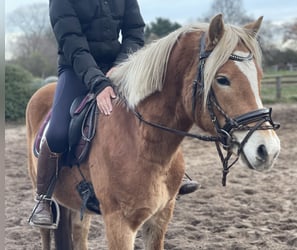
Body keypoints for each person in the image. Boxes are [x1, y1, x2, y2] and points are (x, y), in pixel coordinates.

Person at [30, 0, 200, 228]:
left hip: (119, 65)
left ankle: (170, 175)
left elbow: (134, 31)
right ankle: (43, 198)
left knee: (158, 110)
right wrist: (98, 83)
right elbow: (73, 44)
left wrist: (120, 66)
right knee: (58, 132)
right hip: (76, 68)